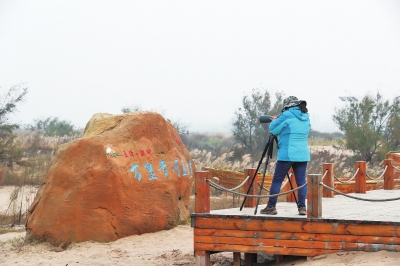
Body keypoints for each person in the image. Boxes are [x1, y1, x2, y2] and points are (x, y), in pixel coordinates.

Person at [260, 96, 311, 216]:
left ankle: (271, 206)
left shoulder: (287, 115)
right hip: (302, 154)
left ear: (287, 105)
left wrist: (274, 120)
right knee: (301, 181)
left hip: (287, 154)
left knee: (277, 180)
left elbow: (273, 129)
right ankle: (302, 207)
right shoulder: (306, 116)